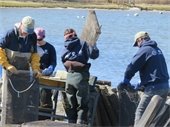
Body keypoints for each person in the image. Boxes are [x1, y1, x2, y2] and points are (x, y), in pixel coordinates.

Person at [118, 31, 169, 126]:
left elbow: (132, 67)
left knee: (140, 112)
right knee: (156, 115)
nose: (138, 46)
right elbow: (155, 72)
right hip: (165, 86)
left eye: (137, 44)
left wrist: (126, 80)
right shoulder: (157, 49)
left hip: (154, 89)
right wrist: (140, 85)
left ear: (140, 40)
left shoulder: (144, 50)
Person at [0, 16, 41, 123]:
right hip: (10, 72)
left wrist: (36, 68)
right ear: (21, 25)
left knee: (22, 100)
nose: (26, 34)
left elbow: (34, 55)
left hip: (24, 72)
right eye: (25, 31)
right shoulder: (10, 34)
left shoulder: (32, 36)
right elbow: (0, 50)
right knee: (8, 100)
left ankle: (19, 122)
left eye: (29, 32)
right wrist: (7, 65)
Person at [61, 28, 99, 124]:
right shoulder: (83, 43)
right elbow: (94, 55)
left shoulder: (65, 45)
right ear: (75, 34)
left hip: (69, 77)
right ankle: (80, 123)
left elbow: (63, 60)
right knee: (82, 103)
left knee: (71, 103)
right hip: (81, 76)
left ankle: (71, 123)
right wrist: (93, 44)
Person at [34, 27, 57, 119]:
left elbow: (53, 62)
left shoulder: (50, 48)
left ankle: (45, 118)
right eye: (37, 39)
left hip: (46, 76)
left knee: (46, 96)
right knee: (33, 97)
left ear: (44, 37)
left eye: (40, 39)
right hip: (34, 74)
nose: (38, 41)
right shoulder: (32, 47)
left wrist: (50, 69)